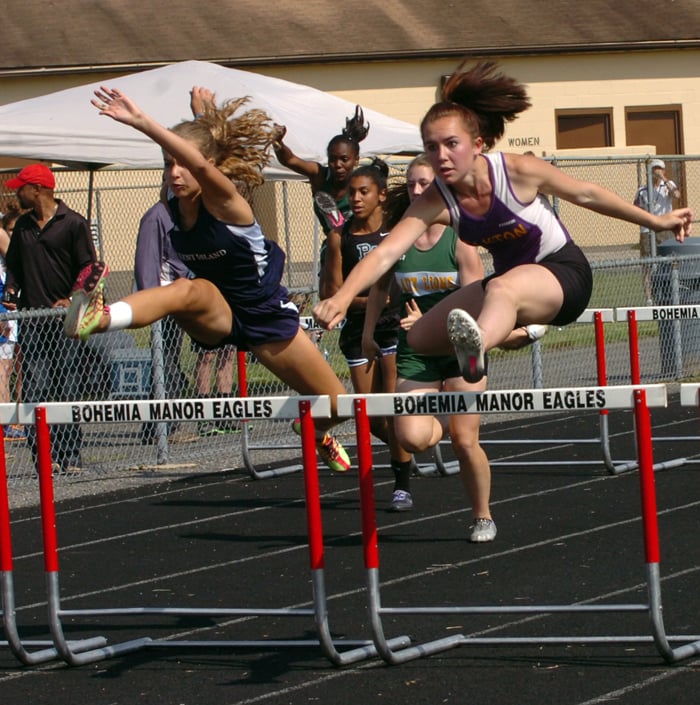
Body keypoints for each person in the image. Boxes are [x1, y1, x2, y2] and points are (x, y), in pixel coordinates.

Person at [314, 60, 693, 387]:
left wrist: (655, 219)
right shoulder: (436, 199)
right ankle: (506, 335)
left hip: (562, 274)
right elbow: (386, 254)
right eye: (431, 147)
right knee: (425, 337)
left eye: (451, 144)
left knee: (503, 290)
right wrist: (342, 298)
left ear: (478, 144)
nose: (441, 156)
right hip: (508, 284)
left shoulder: (517, 172)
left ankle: (481, 342)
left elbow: (588, 194)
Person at [65, 85, 351, 473]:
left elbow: (200, 165)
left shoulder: (229, 203)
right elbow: (196, 158)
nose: (174, 173)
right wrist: (203, 118)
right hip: (217, 311)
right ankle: (99, 319)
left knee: (338, 404)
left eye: (179, 163)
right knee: (185, 290)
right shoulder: (171, 204)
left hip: (264, 314)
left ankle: (318, 434)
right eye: (167, 164)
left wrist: (143, 122)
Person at [363, 155, 535, 537]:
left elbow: (478, 298)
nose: (418, 191)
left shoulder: (460, 240)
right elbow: (378, 286)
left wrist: (430, 322)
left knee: (465, 439)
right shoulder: (399, 238)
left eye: (425, 184)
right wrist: (368, 332)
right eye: (412, 185)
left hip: (460, 350)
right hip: (416, 350)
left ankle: (483, 515)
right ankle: (442, 416)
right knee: (409, 437)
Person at [320, 158, 414, 506]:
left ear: (381, 195)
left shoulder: (397, 233)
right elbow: (331, 295)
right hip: (356, 332)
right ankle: (409, 447)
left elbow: (403, 285)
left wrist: (389, 299)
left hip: (393, 327)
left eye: (364, 192)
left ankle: (401, 484)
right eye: (352, 192)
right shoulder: (338, 238)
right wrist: (367, 299)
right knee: (372, 418)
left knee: (391, 409)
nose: (356, 199)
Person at [4, 163, 102, 473]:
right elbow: (16, 268)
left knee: (67, 386)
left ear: (38, 190)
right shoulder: (22, 228)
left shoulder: (73, 223)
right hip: (34, 322)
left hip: (65, 322)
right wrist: (10, 291)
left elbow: (90, 269)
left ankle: (70, 455)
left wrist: (72, 298)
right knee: (35, 389)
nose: (16, 192)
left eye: (21, 187)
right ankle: (44, 458)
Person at [270, 106, 370, 256]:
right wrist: (278, 142)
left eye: (344, 159)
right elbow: (290, 160)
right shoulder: (320, 175)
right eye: (333, 159)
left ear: (356, 160)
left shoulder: (363, 182)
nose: (338, 165)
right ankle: (338, 228)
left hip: (359, 247)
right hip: (332, 249)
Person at [133, 200, 191, 444]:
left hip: (181, 296)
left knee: (168, 361)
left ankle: (160, 425)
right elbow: (147, 262)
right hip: (163, 299)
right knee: (164, 362)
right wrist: (150, 300)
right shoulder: (157, 216)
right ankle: (159, 428)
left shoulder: (185, 215)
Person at [634, 158, 681, 304]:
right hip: (647, 230)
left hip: (664, 228)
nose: (656, 172)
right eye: (654, 169)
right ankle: (649, 297)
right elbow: (636, 208)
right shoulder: (642, 191)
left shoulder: (668, 186)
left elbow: (676, 195)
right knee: (647, 263)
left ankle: (670, 292)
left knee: (668, 261)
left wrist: (663, 178)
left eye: (659, 169)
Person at [0, 205, 25, 440]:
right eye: (9, 230)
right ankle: (7, 422)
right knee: (4, 369)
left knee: (19, 366)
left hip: (19, 312)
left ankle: (20, 416)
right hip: (6, 313)